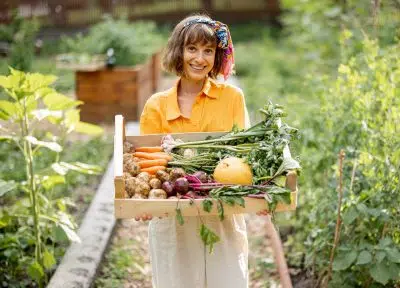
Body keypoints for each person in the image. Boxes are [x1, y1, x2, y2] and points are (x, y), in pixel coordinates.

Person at [139, 14, 251, 288]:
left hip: (221, 212)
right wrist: (142, 201)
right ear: (179, 50)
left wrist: (259, 190)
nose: (200, 59)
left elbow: (247, 155)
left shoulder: (232, 98)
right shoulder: (156, 105)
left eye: (208, 51)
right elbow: (147, 166)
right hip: (173, 218)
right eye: (192, 49)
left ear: (216, 56)